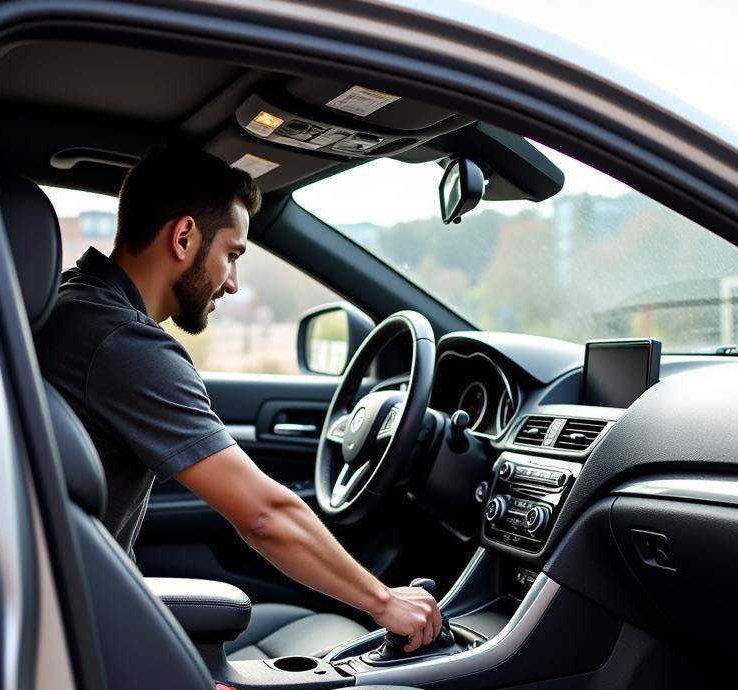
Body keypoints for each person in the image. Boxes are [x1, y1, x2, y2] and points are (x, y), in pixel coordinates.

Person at [36, 146, 441, 651]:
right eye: (231, 254)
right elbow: (263, 515)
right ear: (184, 238)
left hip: (68, 608)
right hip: (82, 630)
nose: (231, 283)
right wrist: (385, 602)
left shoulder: (73, 304)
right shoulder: (123, 343)